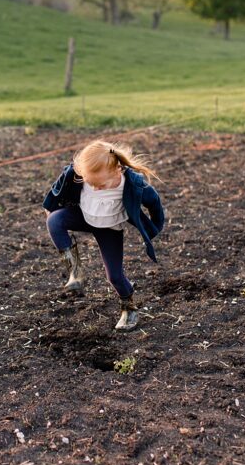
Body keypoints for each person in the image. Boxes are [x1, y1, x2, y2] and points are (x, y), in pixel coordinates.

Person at [43, 140, 165, 331]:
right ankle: (76, 272)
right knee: (54, 220)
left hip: (109, 228)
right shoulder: (77, 175)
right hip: (83, 217)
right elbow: (57, 189)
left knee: (114, 276)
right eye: (91, 183)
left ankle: (129, 308)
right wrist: (51, 209)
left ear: (117, 169)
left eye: (100, 184)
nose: (96, 188)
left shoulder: (133, 184)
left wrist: (154, 227)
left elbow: (154, 202)